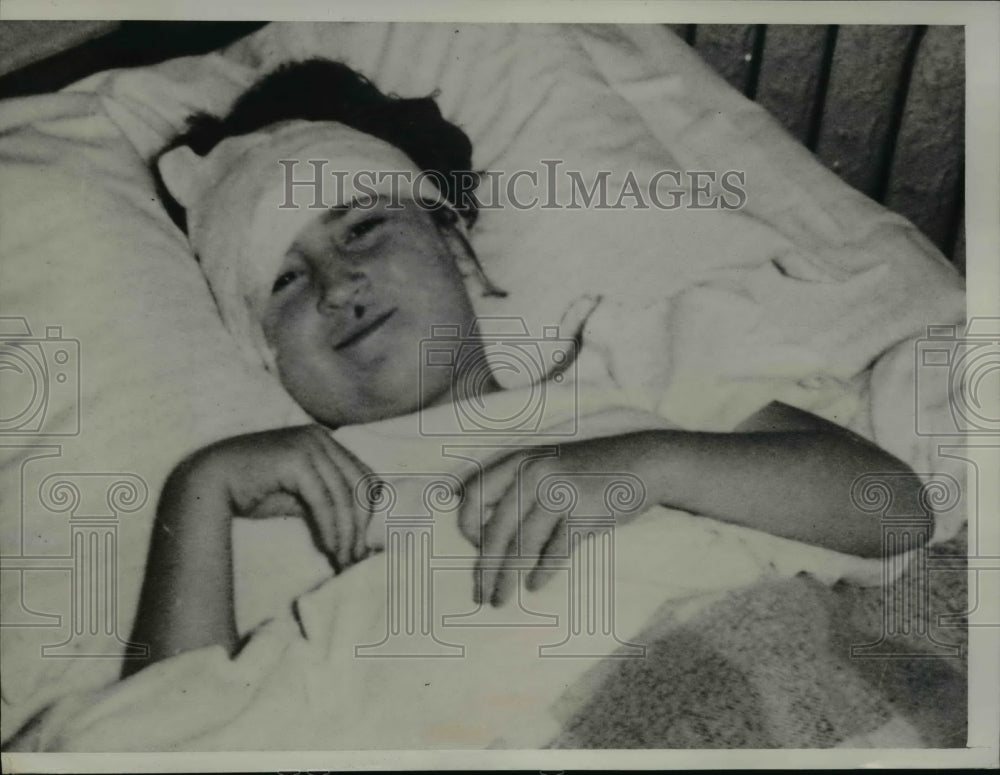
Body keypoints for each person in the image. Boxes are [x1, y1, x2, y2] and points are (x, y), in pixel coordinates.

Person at [124, 59, 924, 678]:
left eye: (364, 226)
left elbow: (892, 508)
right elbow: (169, 732)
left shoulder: (635, 367)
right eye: (285, 280)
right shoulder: (292, 505)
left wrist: (645, 462)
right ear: (261, 349)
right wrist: (200, 491)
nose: (340, 287)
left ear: (458, 249)